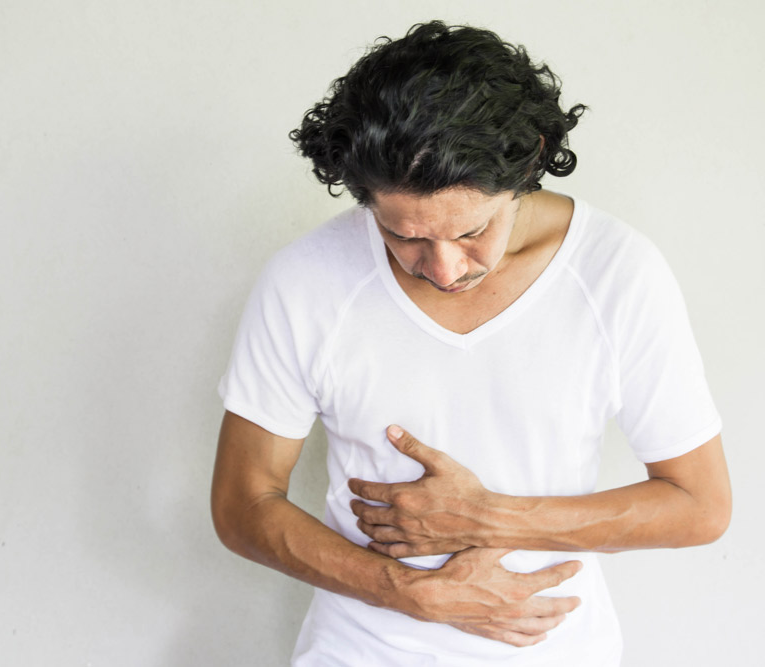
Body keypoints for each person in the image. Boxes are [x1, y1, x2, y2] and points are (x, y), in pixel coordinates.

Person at [211, 21, 731, 666]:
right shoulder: (306, 279)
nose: (445, 268)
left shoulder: (617, 273)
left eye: (472, 231)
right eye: (404, 237)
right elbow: (242, 503)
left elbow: (699, 507)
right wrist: (409, 593)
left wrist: (487, 517)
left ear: (529, 161)